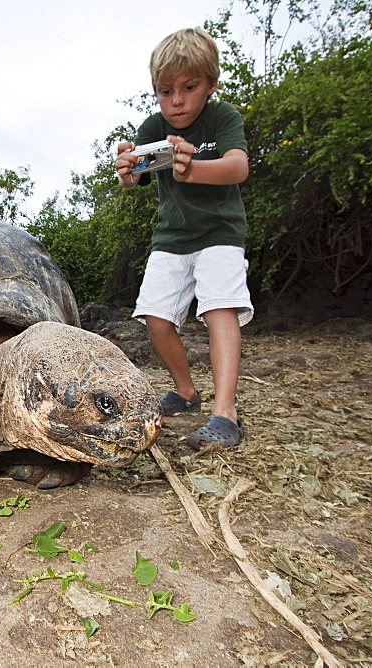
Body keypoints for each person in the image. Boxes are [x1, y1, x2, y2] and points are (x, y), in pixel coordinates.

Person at [114, 27, 253, 450]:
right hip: (171, 237)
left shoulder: (224, 117)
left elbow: (237, 168)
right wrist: (128, 173)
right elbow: (137, 177)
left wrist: (192, 168)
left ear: (209, 84)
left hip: (220, 233)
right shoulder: (153, 125)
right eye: (165, 91)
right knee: (155, 319)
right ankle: (187, 393)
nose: (176, 101)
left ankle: (225, 414)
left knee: (219, 310)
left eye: (189, 88)